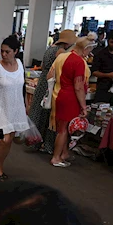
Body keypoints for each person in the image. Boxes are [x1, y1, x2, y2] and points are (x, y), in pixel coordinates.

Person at [48, 33, 96, 167]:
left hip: (59, 95)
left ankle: (63, 154)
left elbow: (49, 75)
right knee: (63, 130)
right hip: (70, 98)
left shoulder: (62, 57)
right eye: (89, 51)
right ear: (86, 49)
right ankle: (56, 157)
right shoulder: (79, 62)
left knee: (62, 127)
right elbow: (79, 87)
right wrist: (84, 106)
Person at [27, 29, 77, 155]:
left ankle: (35, 142)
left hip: (43, 82)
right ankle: (48, 145)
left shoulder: (50, 48)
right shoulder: (60, 52)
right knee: (49, 116)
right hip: (50, 85)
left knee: (39, 112)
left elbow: (44, 66)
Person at [0, 35, 29, 179]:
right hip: (1, 107)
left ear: (16, 51)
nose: (4, 54)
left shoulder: (19, 64)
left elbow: (22, 86)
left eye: (7, 51)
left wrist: (25, 104)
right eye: (2, 51)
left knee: (9, 140)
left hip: (16, 106)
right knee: (4, 139)